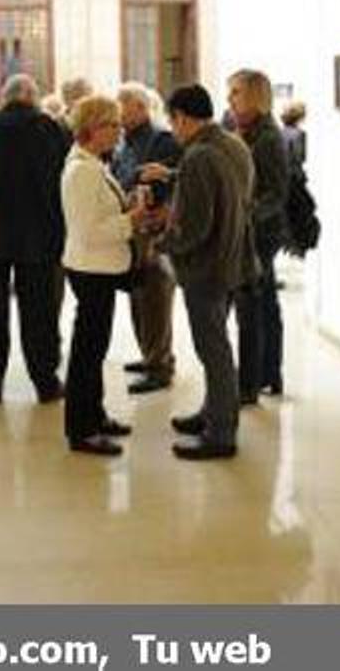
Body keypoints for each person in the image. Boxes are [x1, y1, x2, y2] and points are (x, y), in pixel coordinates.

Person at [144, 83, 254, 460]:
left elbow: (194, 226)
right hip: (232, 259)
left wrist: (160, 243)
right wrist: (176, 177)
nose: (172, 129)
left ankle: (221, 433)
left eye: (172, 120)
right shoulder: (233, 143)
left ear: (181, 118)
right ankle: (213, 412)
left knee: (213, 350)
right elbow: (225, 189)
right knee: (217, 346)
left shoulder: (198, 156)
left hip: (206, 267)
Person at [0, 74, 67, 405]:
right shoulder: (50, 129)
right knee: (40, 309)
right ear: (33, 96)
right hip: (40, 231)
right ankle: (46, 381)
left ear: (5, 97)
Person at [61, 95, 148, 456]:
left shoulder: (93, 163)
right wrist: (131, 220)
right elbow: (87, 232)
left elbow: (98, 214)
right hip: (91, 268)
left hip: (99, 268)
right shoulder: (83, 170)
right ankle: (81, 430)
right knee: (87, 353)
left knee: (94, 350)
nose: (118, 130)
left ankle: (94, 416)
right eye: (111, 124)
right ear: (91, 129)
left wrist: (126, 205)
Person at [111, 83, 182, 395]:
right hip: (133, 226)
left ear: (140, 108)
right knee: (138, 295)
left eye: (122, 106)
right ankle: (149, 354)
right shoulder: (125, 142)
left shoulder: (162, 139)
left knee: (155, 296)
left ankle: (159, 365)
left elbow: (167, 182)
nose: (118, 113)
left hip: (154, 229)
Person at [229, 70, 290, 401]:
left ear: (255, 96)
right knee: (262, 301)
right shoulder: (239, 128)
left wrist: (245, 213)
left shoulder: (268, 137)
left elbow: (276, 193)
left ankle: (251, 382)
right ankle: (267, 374)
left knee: (252, 305)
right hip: (249, 230)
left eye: (236, 92)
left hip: (261, 233)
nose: (230, 99)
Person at [281, 100, 307, 178]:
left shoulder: (279, 132)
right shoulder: (299, 134)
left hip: (281, 174)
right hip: (293, 176)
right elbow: (300, 157)